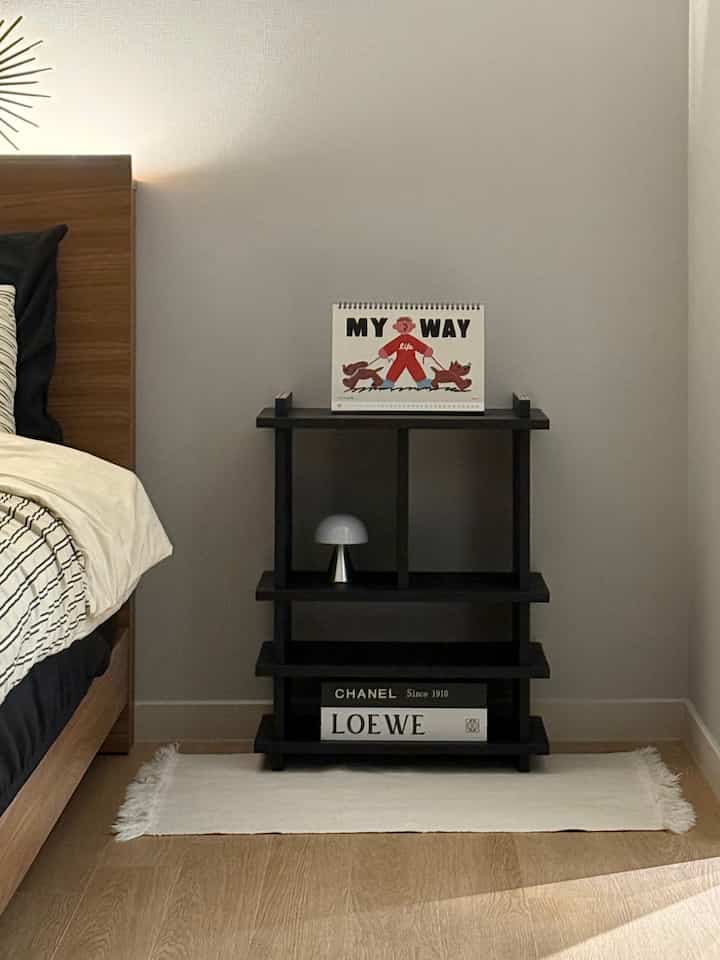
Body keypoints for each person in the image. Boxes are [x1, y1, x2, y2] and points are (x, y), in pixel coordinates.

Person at [378, 316, 433, 389]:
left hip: (411, 359)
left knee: (416, 369)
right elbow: (391, 346)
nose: (404, 327)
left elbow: (419, 345)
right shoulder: (398, 340)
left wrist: (426, 350)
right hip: (400, 359)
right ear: (395, 327)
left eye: (406, 324)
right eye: (401, 325)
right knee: (394, 369)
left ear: (412, 326)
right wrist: (385, 351)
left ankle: (422, 382)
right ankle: (389, 382)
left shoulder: (411, 339)